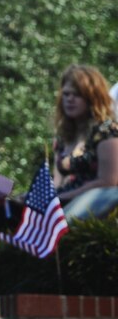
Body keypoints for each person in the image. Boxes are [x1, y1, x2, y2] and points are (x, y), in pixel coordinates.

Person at [52, 64, 118, 219]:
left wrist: (63, 197)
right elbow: (58, 183)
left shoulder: (107, 132)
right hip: (62, 203)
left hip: (93, 206)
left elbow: (108, 182)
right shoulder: (63, 136)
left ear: (92, 98)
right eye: (66, 94)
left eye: (77, 95)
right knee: (5, 211)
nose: (70, 100)